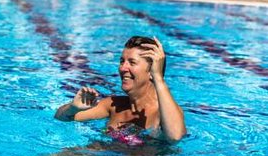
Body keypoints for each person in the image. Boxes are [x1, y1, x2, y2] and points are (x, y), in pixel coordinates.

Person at [54, 36, 186, 144]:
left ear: (151, 72)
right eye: (122, 61)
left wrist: (158, 77)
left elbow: (175, 136)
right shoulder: (114, 105)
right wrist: (73, 108)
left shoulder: (161, 113)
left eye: (132, 62)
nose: (123, 68)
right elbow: (61, 117)